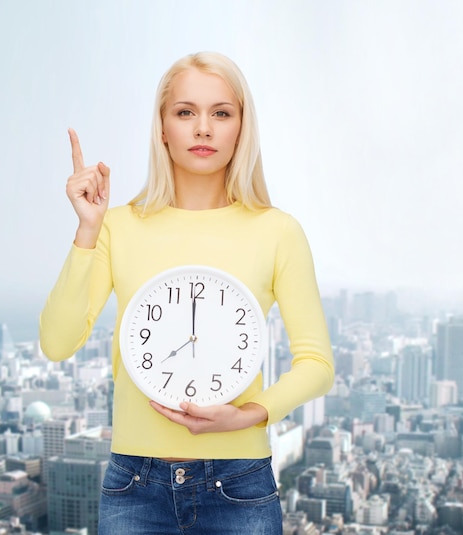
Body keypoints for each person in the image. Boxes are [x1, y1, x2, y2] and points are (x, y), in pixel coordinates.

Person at [40, 51, 334, 535]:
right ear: (162, 128)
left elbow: (317, 364)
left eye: (221, 113)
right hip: (134, 485)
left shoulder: (278, 231)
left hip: (238, 486)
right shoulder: (117, 227)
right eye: (185, 112)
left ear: (242, 127)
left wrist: (244, 417)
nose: (203, 129)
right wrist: (87, 231)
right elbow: (57, 342)